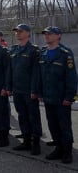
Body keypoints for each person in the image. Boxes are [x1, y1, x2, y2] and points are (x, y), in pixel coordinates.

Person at [40, 26, 77, 164]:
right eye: (45, 34)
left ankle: (67, 151)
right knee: (53, 124)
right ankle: (58, 148)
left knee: (64, 125)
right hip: (48, 96)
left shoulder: (65, 53)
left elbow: (71, 77)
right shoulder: (43, 52)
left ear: (58, 36)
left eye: (50, 34)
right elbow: (41, 75)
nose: (47, 36)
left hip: (61, 97)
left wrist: (69, 96)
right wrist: (40, 92)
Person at [10, 24, 42, 155]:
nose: (18, 34)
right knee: (22, 116)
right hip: (17, 89)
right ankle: (26, 140)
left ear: (28, 33)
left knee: (33, 116)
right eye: (16, 32)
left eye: (21, 31)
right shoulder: (14, 50)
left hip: (29, 90)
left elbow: (36, 73)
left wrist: (35, 90)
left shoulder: (34, 50)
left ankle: (36, 143)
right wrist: (9, 86)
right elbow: (11, 71)